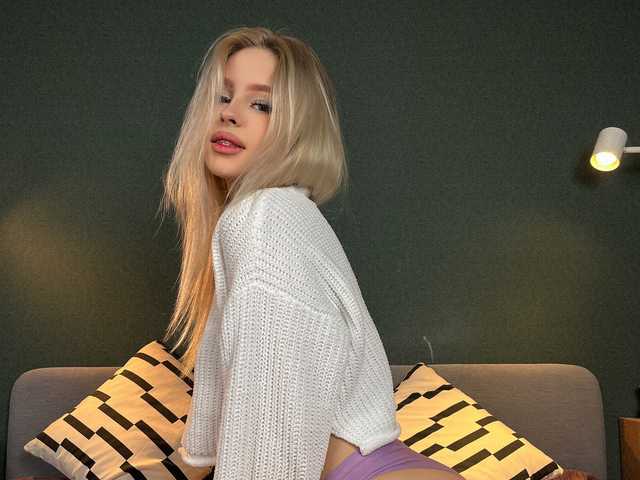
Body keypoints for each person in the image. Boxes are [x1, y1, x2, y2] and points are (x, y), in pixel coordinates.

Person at [159, 26, 464, 480]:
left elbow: (270, 410)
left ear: (298, 129)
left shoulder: (263, 216)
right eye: (222, 97)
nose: (229, 114)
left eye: (261, 104)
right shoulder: (279, 213)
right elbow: (244, 393)